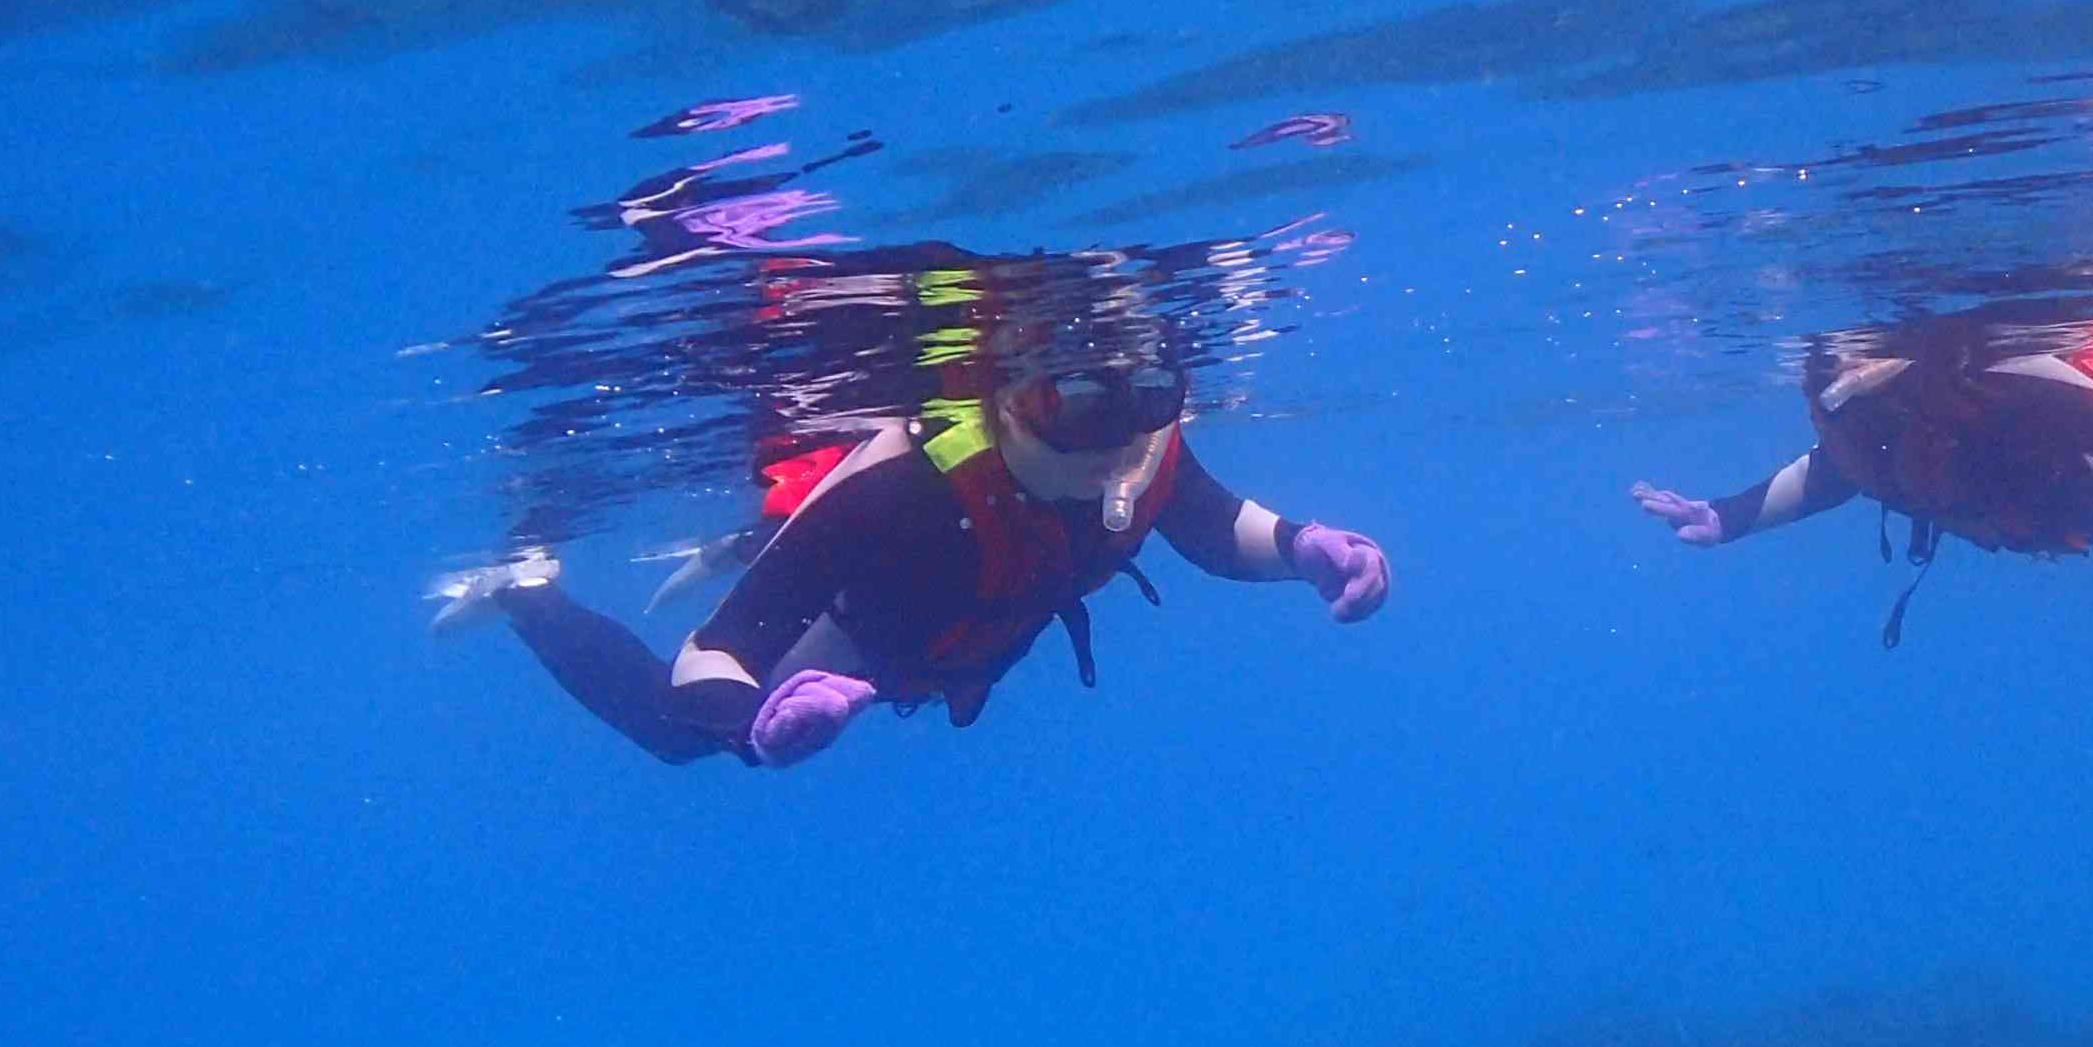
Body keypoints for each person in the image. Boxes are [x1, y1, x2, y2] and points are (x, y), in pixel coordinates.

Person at [439, 351, 1390, 768]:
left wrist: (1307, 550)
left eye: (1148, 399)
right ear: (1008, 400)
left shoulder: (1142, 441)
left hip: (943, 643)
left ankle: (728, 539)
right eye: (1076, 409)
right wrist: (753, 727)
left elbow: (1211, 524)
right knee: (675, 738)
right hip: (847, 645)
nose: (1121, 448)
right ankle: (531, 593)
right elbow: (713, 651)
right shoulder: (906, 478)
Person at [1626, 313, 2093, 629]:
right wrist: (1727, 516)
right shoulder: (1873, 431)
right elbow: (1839, 472)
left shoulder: (2008, 381)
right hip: (2085, 516)